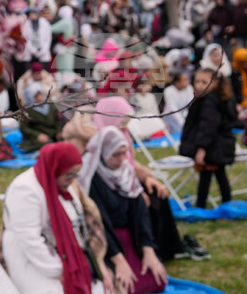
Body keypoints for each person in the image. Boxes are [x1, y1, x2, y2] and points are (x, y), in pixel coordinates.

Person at [2, 144, 99, 294]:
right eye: (68, 175)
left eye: (75, 175)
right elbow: (29, 238)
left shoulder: (64, 188)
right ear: (55, 169)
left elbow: (74, 226)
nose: (71, 181)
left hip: (58, 251)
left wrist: (71, 264)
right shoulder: (25, 189)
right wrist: (57, 269)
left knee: (93, 293)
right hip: (28, 254)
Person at [92, 96, 205, 261]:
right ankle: (149, 249)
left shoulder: (122, 133)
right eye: (123, 120)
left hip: (128, 181)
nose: (126, 125)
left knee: (159, 193)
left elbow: (130, 163)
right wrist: (136, 190)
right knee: (147, 201)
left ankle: (168, 248)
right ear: (110, 117)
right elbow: (109, 174)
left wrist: (148, 178)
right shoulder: (97, 140)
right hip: (112, 189)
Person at [80, 128, 168, 294]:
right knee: (125, 288)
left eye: (123, 153)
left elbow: (140, 212)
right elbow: (98, 224)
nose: (121, 160)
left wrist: (148, 250)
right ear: (103, 152)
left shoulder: (126, 171)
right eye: (115, 155)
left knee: (157, 282)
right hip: (106, 241)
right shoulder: (92, 178)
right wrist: (118, 260)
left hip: (131, 236)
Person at [181, 69, 237, 209]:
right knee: (217, 175)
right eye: (197, 81)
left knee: (209, 176)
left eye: (204, 82)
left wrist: (201, 148)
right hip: (216, 146)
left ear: (215, 83)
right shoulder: (213, 98)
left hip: (212, 146)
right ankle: (225, 203)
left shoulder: (210, 101)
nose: (199, 85)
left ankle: (203, 206)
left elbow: (208, 126)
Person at [19, 83, 64, 153]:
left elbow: (57, 121)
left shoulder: (51, 106)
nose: (39, 98)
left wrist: (59, 131)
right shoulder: (27, 110)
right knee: (45, 145)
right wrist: (37, 135)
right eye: (36, 96)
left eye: (40, 94)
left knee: (65, 140)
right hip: (36, 137)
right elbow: (24, 128)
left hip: (53, 134)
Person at [162, 71, 194, 135]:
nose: (187, 81)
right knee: (180, 132)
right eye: (184, 80)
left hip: (185, 115)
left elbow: (190, 105)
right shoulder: (168, 91)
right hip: (171, 117)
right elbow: (173, 109)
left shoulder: (189, 88)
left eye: (187, 79)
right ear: (177, 83)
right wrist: (183, 124)